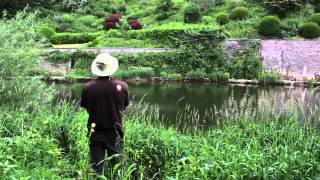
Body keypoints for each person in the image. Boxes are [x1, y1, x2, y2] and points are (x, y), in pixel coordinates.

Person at [80, 53, 129, 176]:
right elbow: (123, 108)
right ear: (111, 68)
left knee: (96, 170)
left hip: (95, 133)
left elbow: (87, 109)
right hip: (116, 133)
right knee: (117, 171)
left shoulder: (88, 87)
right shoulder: (122, 86)